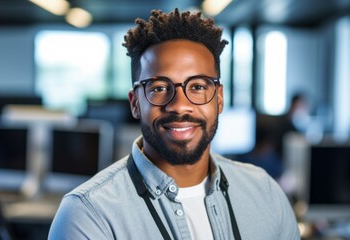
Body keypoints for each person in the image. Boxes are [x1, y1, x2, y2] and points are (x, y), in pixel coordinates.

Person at [48, 8, 300, 240]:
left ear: (219, 98)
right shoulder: (88, 214)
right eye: (158, 88)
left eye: (198, 86)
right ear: (135, 103)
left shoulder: (265, 193)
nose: (180, 106)